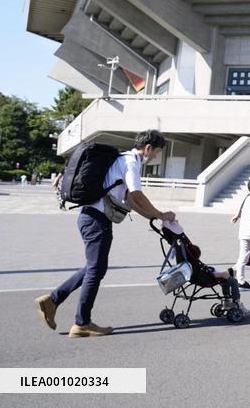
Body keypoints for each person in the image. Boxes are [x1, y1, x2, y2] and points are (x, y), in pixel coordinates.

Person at [34, 130, 176, 337]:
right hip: (97, 221)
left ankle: (53, 300)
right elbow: (137, 193)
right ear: (148, 148)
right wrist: (161, 214)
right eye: (156, 152)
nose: (155, 157)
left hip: (89, 217)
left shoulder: (119, 160)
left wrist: (154, 217)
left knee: (95, 268)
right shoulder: (132, 162)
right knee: (96, 269)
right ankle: (81, 323)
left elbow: (129, 199)